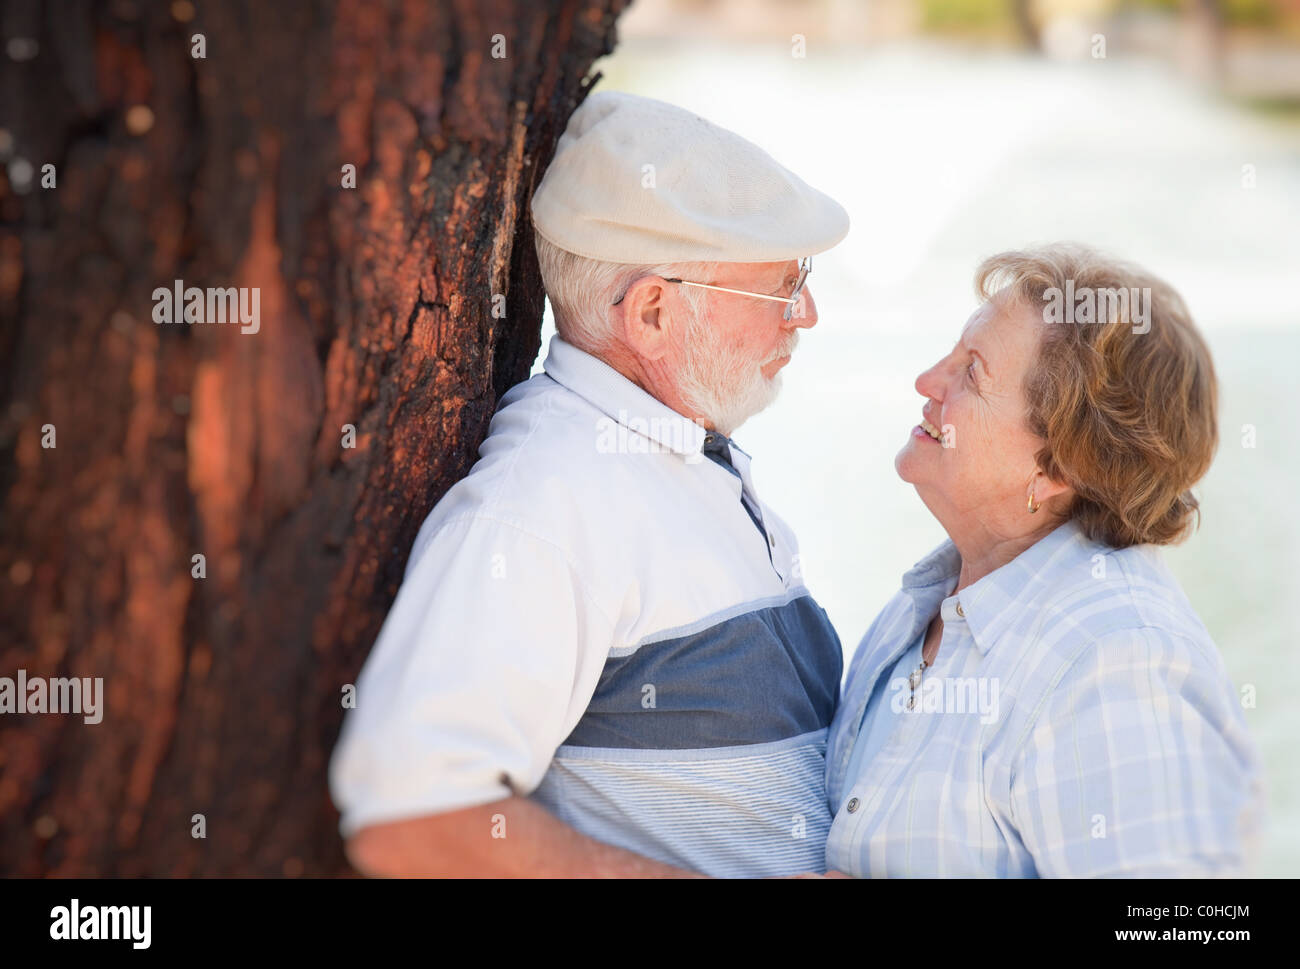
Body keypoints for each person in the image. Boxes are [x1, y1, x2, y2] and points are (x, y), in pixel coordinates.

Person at [329, 91, 851, 877]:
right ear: (651, 313)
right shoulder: (543, 503)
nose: (804, 313)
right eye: (780, 285)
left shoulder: (679, 454)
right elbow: (411, 815)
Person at [825, 244, 1265, 877]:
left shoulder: (1116, 658)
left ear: (1061, 465)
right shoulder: (932, 599)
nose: (927, 381)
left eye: (971, 373)